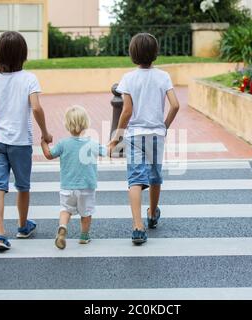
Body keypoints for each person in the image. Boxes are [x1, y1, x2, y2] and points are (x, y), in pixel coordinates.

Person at [0, 31, 53, 251]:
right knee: (22, 186)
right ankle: (22, 226)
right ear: (23, 55)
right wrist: (45, 133)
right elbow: (36, 108)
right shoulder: (29, 78)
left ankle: (0, 234)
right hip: (20, 142)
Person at [108, 33, 180, 245]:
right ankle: (152, 213)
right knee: (155, 175)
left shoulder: (128, 78)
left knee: (135, 180)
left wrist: (117, 136)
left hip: (134, 136)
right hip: (156, 135)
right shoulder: (163, 76)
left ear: (132, 54)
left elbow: (127, 111)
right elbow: (175, 105)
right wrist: (164, 126)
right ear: (155, 53)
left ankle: (138, 227)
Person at [41, 106, 107, 249]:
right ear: (86, 123)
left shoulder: (63, 143)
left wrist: (43, 142)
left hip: (67, 187)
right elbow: (107, 151)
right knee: (86, 213)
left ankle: (63, 227)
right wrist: (114, 142)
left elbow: (48, 155)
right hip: (86, 187)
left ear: (67, 124)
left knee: (65, 209)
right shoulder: (92, 143)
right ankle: (84, 236)